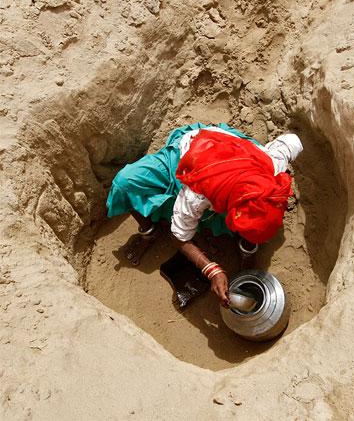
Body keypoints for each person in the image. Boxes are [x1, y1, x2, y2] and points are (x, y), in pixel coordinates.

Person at [106, 123, 303, 306]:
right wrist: (211, 269)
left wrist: (250, 247)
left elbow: (292, 141)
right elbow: (178, 236)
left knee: (253, 224)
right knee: (125, 184)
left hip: (237, 153)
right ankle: (150, 232)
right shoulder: (198, 193)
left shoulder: (273, 164)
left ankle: (247, 248)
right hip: (189, 155)